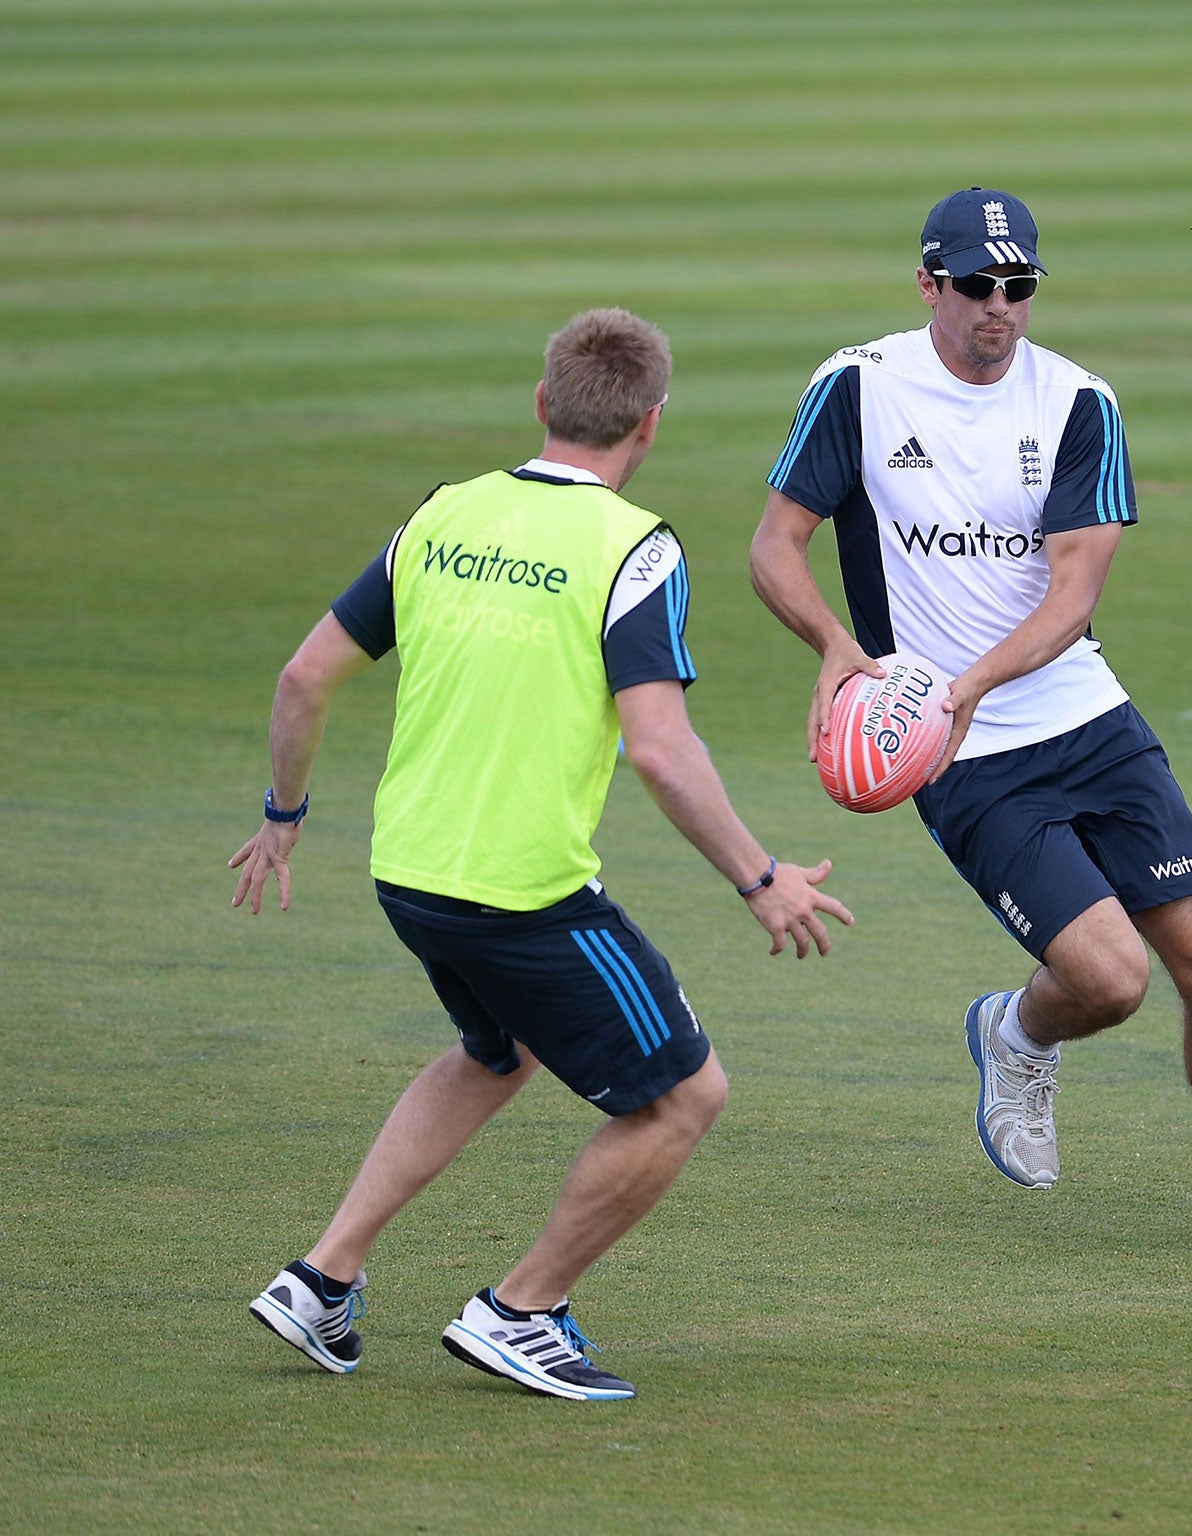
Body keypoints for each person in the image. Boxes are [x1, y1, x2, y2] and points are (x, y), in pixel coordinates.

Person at [233, 308, 851, 1401]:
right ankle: (520, 1310)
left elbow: (301, 678)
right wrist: (763, 881)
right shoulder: (635, 547)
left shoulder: (442, 513)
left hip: (408, 871)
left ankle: (322, 1279)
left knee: (495, 1052)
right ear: (650, 424)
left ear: (541, 402)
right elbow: (661, 751)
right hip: (520, 893)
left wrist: (284, 815)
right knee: (681, 1096)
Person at [749, 188, 1192, 1257]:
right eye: (976, 286)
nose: (1000, 307)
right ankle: (1014, 1036)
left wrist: (970, 678)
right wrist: (840, 653)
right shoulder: (858, 389)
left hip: (1076, 712)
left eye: (1018, 286)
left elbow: (1074, 597)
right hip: (956, 749)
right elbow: (773, 547)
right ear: (928, 283)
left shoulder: (1076, 403)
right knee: (1111, 981)